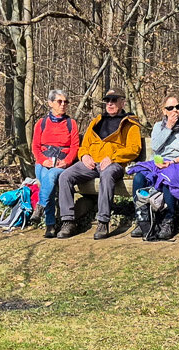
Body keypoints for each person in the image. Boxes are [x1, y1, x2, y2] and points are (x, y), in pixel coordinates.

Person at [55, 90, 143, 239]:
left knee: (107, 175)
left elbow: (134, 149)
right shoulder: (97, 121)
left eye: (114, 100)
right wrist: (84, 156)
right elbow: (84, 146)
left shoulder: (130, 124)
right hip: (91, 163)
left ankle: (103, 221)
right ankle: (68, 221)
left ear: (122, 102)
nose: (110, 103)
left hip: (114, 164)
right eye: (107, 100)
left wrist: (113, 157)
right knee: (65, 176)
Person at [127, 94, 179, 239]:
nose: (175, 111)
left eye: (178, 107)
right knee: (139, 178)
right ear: (164, 111)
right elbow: (156, 147)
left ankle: (169, 220)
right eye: (170, 108)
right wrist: (169, 127)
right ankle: (143, 219)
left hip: (178, 164)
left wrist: (172, 162)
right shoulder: (159, 126)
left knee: (168, 178)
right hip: (159, 162)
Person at [31, 88, 80, 238]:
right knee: (48, 181)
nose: (63, 104)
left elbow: (75, 146)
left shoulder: (71, 123)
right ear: (50, 103)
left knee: (51, 176)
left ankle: (41, 209)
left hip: (61, 163)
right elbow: (35, 146)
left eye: (66, 102)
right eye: (59, 101)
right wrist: (43, 160)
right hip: (43, 161)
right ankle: (50, 226)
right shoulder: (41, 123)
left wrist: (66, 162)